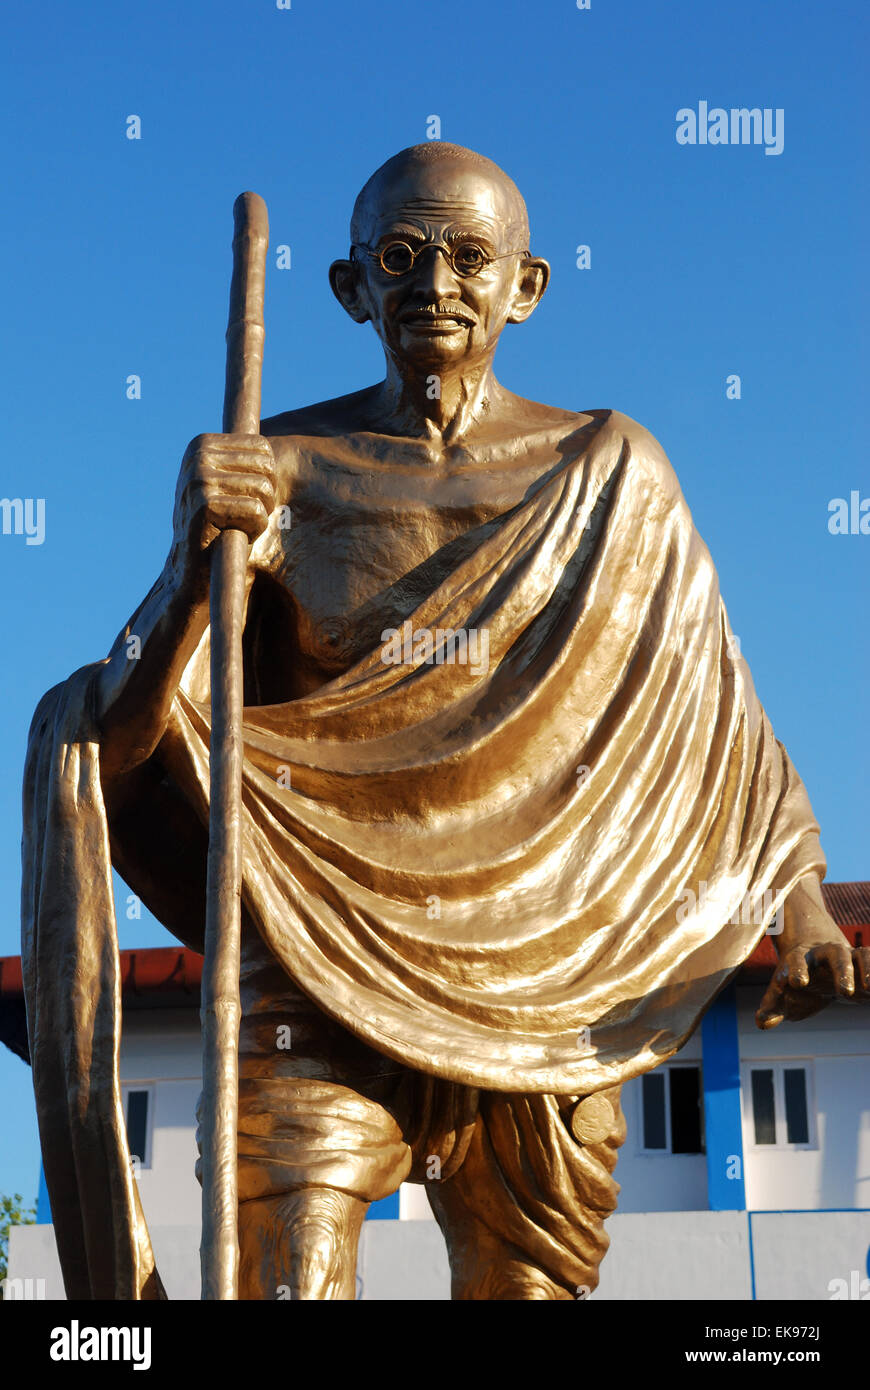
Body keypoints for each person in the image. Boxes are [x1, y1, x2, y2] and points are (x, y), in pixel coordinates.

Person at [22, 143, 868, 1300]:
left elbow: (717, 720)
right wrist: (187, 573)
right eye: (403, 256)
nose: (437, 284)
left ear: (527, 285)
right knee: (284, 1281)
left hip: (550, 966)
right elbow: (116, 736)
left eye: (471, 257)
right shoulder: (280, 470)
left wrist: (802, 897)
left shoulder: (612, 471)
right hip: (313, 948)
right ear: (349, 286)